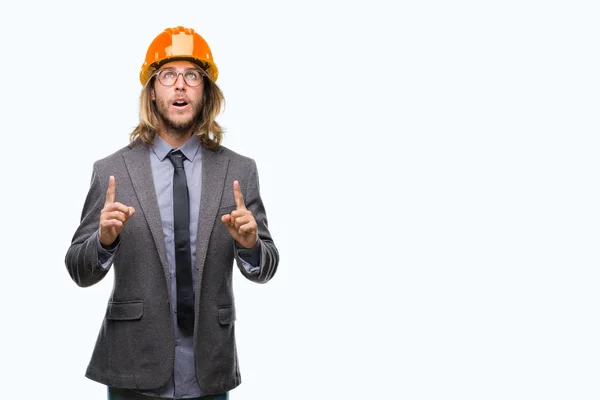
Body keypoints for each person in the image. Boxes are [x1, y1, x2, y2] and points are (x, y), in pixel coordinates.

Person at [64, 26, 279, 400]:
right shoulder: (112, 171)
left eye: (192, 76)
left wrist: (249, 247)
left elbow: (267, 266)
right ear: (152, 91)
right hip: (133, 368)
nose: (179, 85)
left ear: (206, 92)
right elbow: (78, 271)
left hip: (209, 370)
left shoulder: (240, 172)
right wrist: (103, 242)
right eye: (168, 76)